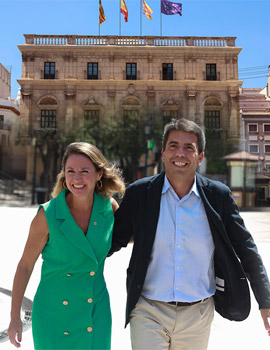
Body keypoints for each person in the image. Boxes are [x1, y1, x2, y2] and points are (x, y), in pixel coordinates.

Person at [109, 118, 270, 350]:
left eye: (189, 148)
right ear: (163, 153)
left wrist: (265, 300)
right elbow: (112, 241)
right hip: (148, 310)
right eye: (173, 146)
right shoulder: (139, 194)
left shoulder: (218, 196)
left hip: (198, 313)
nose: (180, 154)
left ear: (200, 156)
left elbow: (246, 248)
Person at [8, 142, 125, 350]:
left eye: (84, 171)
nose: (76, 178)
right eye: (70, 171)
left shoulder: (109, 208)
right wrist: (14, 317)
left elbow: (129, 236)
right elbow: (25, 266)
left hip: (95, 311)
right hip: (54, 315)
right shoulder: (48, 215)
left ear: (99, 174)